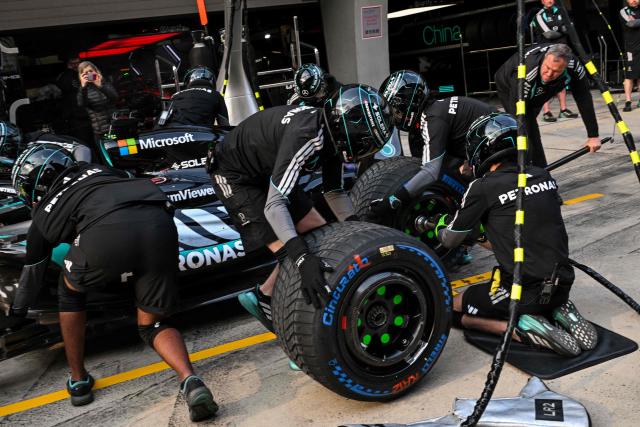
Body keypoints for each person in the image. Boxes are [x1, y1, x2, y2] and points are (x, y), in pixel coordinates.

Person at [9, 143, 218, 421]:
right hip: (160, 227)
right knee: (152, 324)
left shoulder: (45, 209)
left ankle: (79, 380)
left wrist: (17, 313)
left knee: (69, 292)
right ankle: (190, 380)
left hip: (107, 236)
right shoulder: (104, 171)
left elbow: (32, 274)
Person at [209, 84, 392, 331]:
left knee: (320, 233)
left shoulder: (331, 133)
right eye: (367, 141)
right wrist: (302, 257)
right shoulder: (309, 136)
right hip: (234, 175)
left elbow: (334, 191)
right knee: (292, 256)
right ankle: (292, 326)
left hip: (267, 167)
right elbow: (274, 205)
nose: (366, 149)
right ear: (351, 131)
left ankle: (263, 294)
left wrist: (355, 227)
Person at [435, 112, 598, 357]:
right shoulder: (543, 175)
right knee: (537, 283)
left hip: (520, 293)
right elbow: (518, 234)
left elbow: (450, 239)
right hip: (562, 281)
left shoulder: (482, 187)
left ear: (481, 149)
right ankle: (557, 308)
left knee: (453, 308)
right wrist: (480, 236)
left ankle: (519, 328)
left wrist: (438, 225)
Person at [372, 70, 495, 220]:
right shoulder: (432, 113)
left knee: (445, 176)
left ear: (410, 102)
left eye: (397, 111)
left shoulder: (433, 118)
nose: (396, 117)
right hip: (483, 149)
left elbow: (430, 172)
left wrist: (393, 200)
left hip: (498, 151)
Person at [495, 43, 601, 167]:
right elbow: (520, 119)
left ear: (565, 67)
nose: (549, 74)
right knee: (527, 128)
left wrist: (593, 135)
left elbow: (584, 98)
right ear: (545, 58)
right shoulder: (527, 72)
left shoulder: (574, 66)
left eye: (556, 71)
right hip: (508, 84)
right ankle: (531, 170)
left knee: (530, 125)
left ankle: (536, 168)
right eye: (547, 67)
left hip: (540, 89)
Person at [529, 0, 579, 122]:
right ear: (542, 1)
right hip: (547, 54)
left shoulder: (561, 11)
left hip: (562, 52)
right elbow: (549, 35)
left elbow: (570, 29)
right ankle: (547, 112)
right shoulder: (539, 15)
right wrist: (561, 30)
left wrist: (562, 30)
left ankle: (563, 110)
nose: (549, 0)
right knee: (545, 81)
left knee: (562, 80)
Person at [164, 66, 229, 127]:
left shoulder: (176, 95)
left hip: (169, 133)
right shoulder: (216, 95)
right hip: (198, 133)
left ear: (188, 80)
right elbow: (225, 125)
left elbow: (163, 118)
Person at [54, 57, 94, 145]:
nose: (76, 65)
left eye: (78, 62)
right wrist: (70, 71)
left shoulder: (88, 72)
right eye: (73, 63)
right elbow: (62, 86)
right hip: (77, 118)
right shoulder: (66, 76)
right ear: (69, 64)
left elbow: (97, 84)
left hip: (92, 115)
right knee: (83, 143)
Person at [76, 61, 118, 142]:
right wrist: (83, 87)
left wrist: (100, 86)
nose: (89, 74)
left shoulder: (105, 83)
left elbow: (115, 98)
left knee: (126, 151)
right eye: (86, 73)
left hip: (115, 126)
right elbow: (81, 104)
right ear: (81, 75)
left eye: (91, 71)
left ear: (96, 71)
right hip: (101, 131)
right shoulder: (83, 90)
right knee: (110, 153)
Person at [621, 0, 640, 112]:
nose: (633, 0)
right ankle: (628, 101)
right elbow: (631, 23)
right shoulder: (624, 11)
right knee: (629, 76)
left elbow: (636, 22)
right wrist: (635, 22)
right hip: (631, 49)